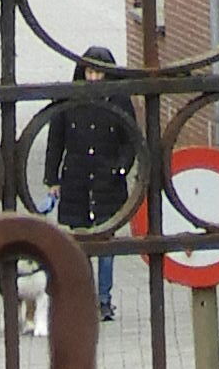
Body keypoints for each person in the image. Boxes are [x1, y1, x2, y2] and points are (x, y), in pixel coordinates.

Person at [27, 49, 143, 320]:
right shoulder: (69, 98)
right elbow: (56, 141)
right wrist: (52, 179)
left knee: (106, 243)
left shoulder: (119, 99)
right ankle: (84, 298)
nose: (94, 78)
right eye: (90, 72)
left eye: (99, 73)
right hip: (76, 180)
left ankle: (103, 300)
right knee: (79, 243)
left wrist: (120, 169)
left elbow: (130, 139)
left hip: (107, 182)